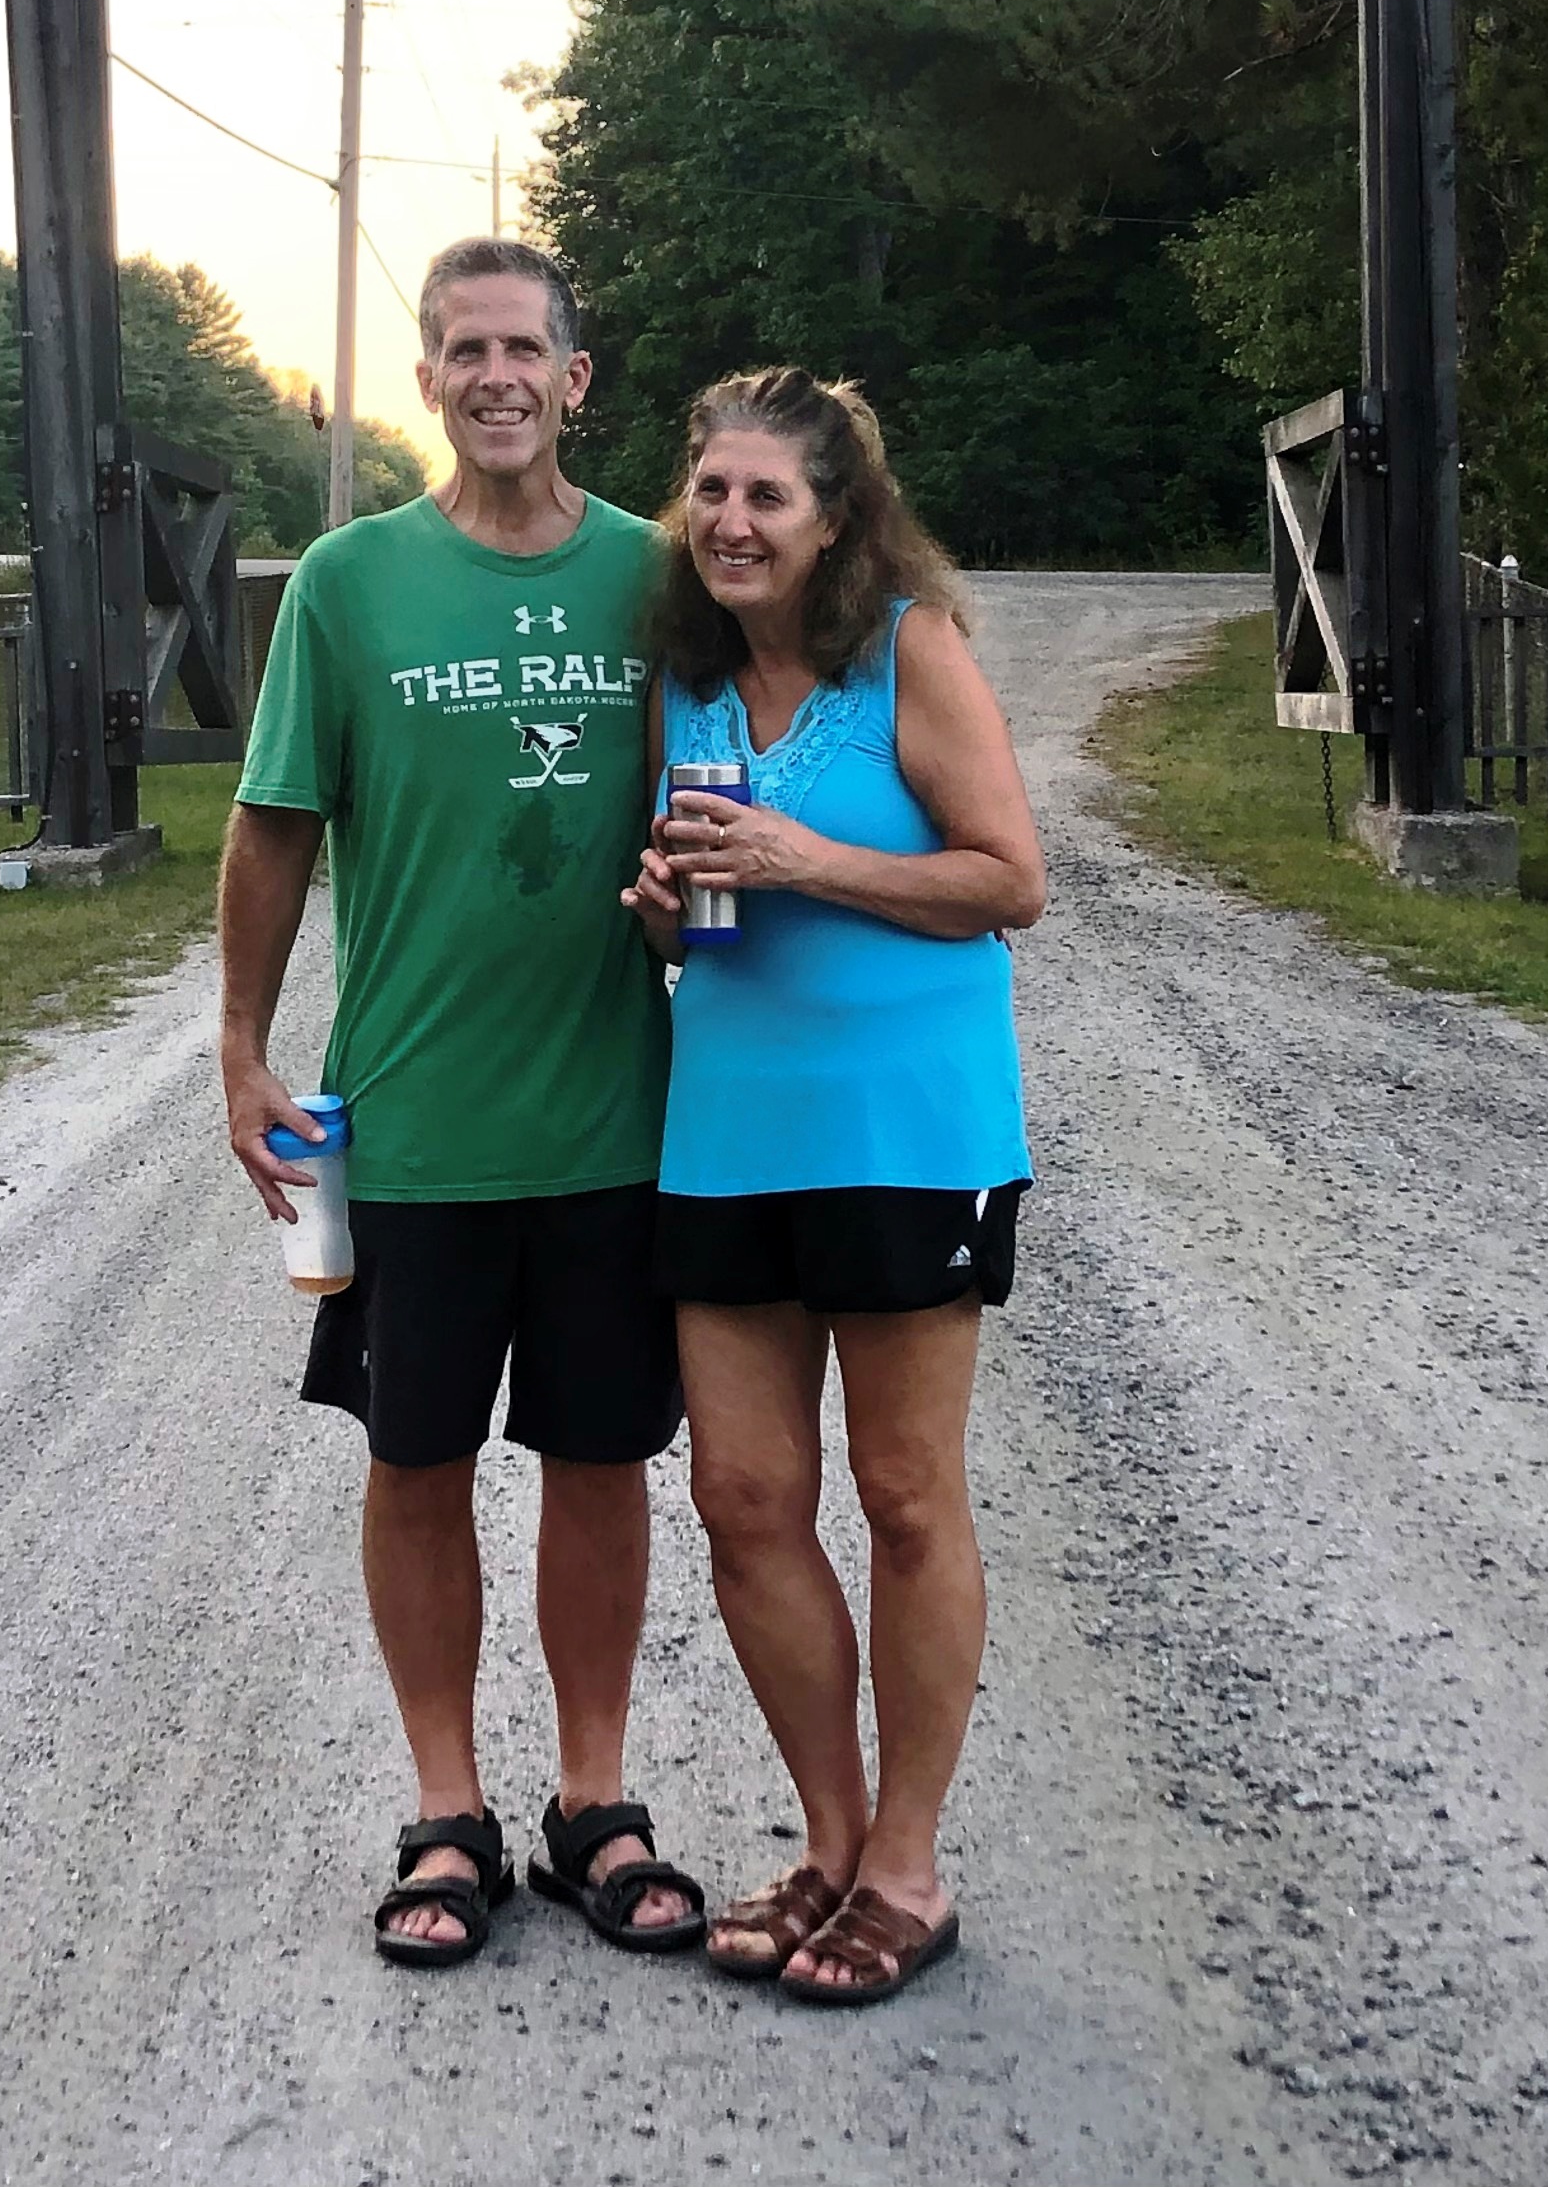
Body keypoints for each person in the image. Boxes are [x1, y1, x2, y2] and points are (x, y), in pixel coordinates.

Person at [219, 237, 705, 1970]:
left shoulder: (663, 578)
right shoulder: (347, 585)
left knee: (601, 1455)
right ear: (423, 378)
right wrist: (240, 1042)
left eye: (526, 348)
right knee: (413, 1459)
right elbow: (274, 823)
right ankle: (448, 1808)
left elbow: (728, 798)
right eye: (461, 348)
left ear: (581, 379)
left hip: (610, 1119)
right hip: (411, 1126)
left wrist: (691, 911)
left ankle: (593, 1799)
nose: (496, 373)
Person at [621, 366, 1045, 2007]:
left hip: (907, 1127)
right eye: (710, 494)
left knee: (907, 1497)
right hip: (729, 1129)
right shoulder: (694, 685)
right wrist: (666, 898)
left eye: (766, 497)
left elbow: (1011, 879)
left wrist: (803, 859)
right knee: (742, 1500)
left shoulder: (907, 653)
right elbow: (683, 932)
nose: (731, 522)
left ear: (836, 518)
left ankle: (912, 1869)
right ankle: (834, 1834)